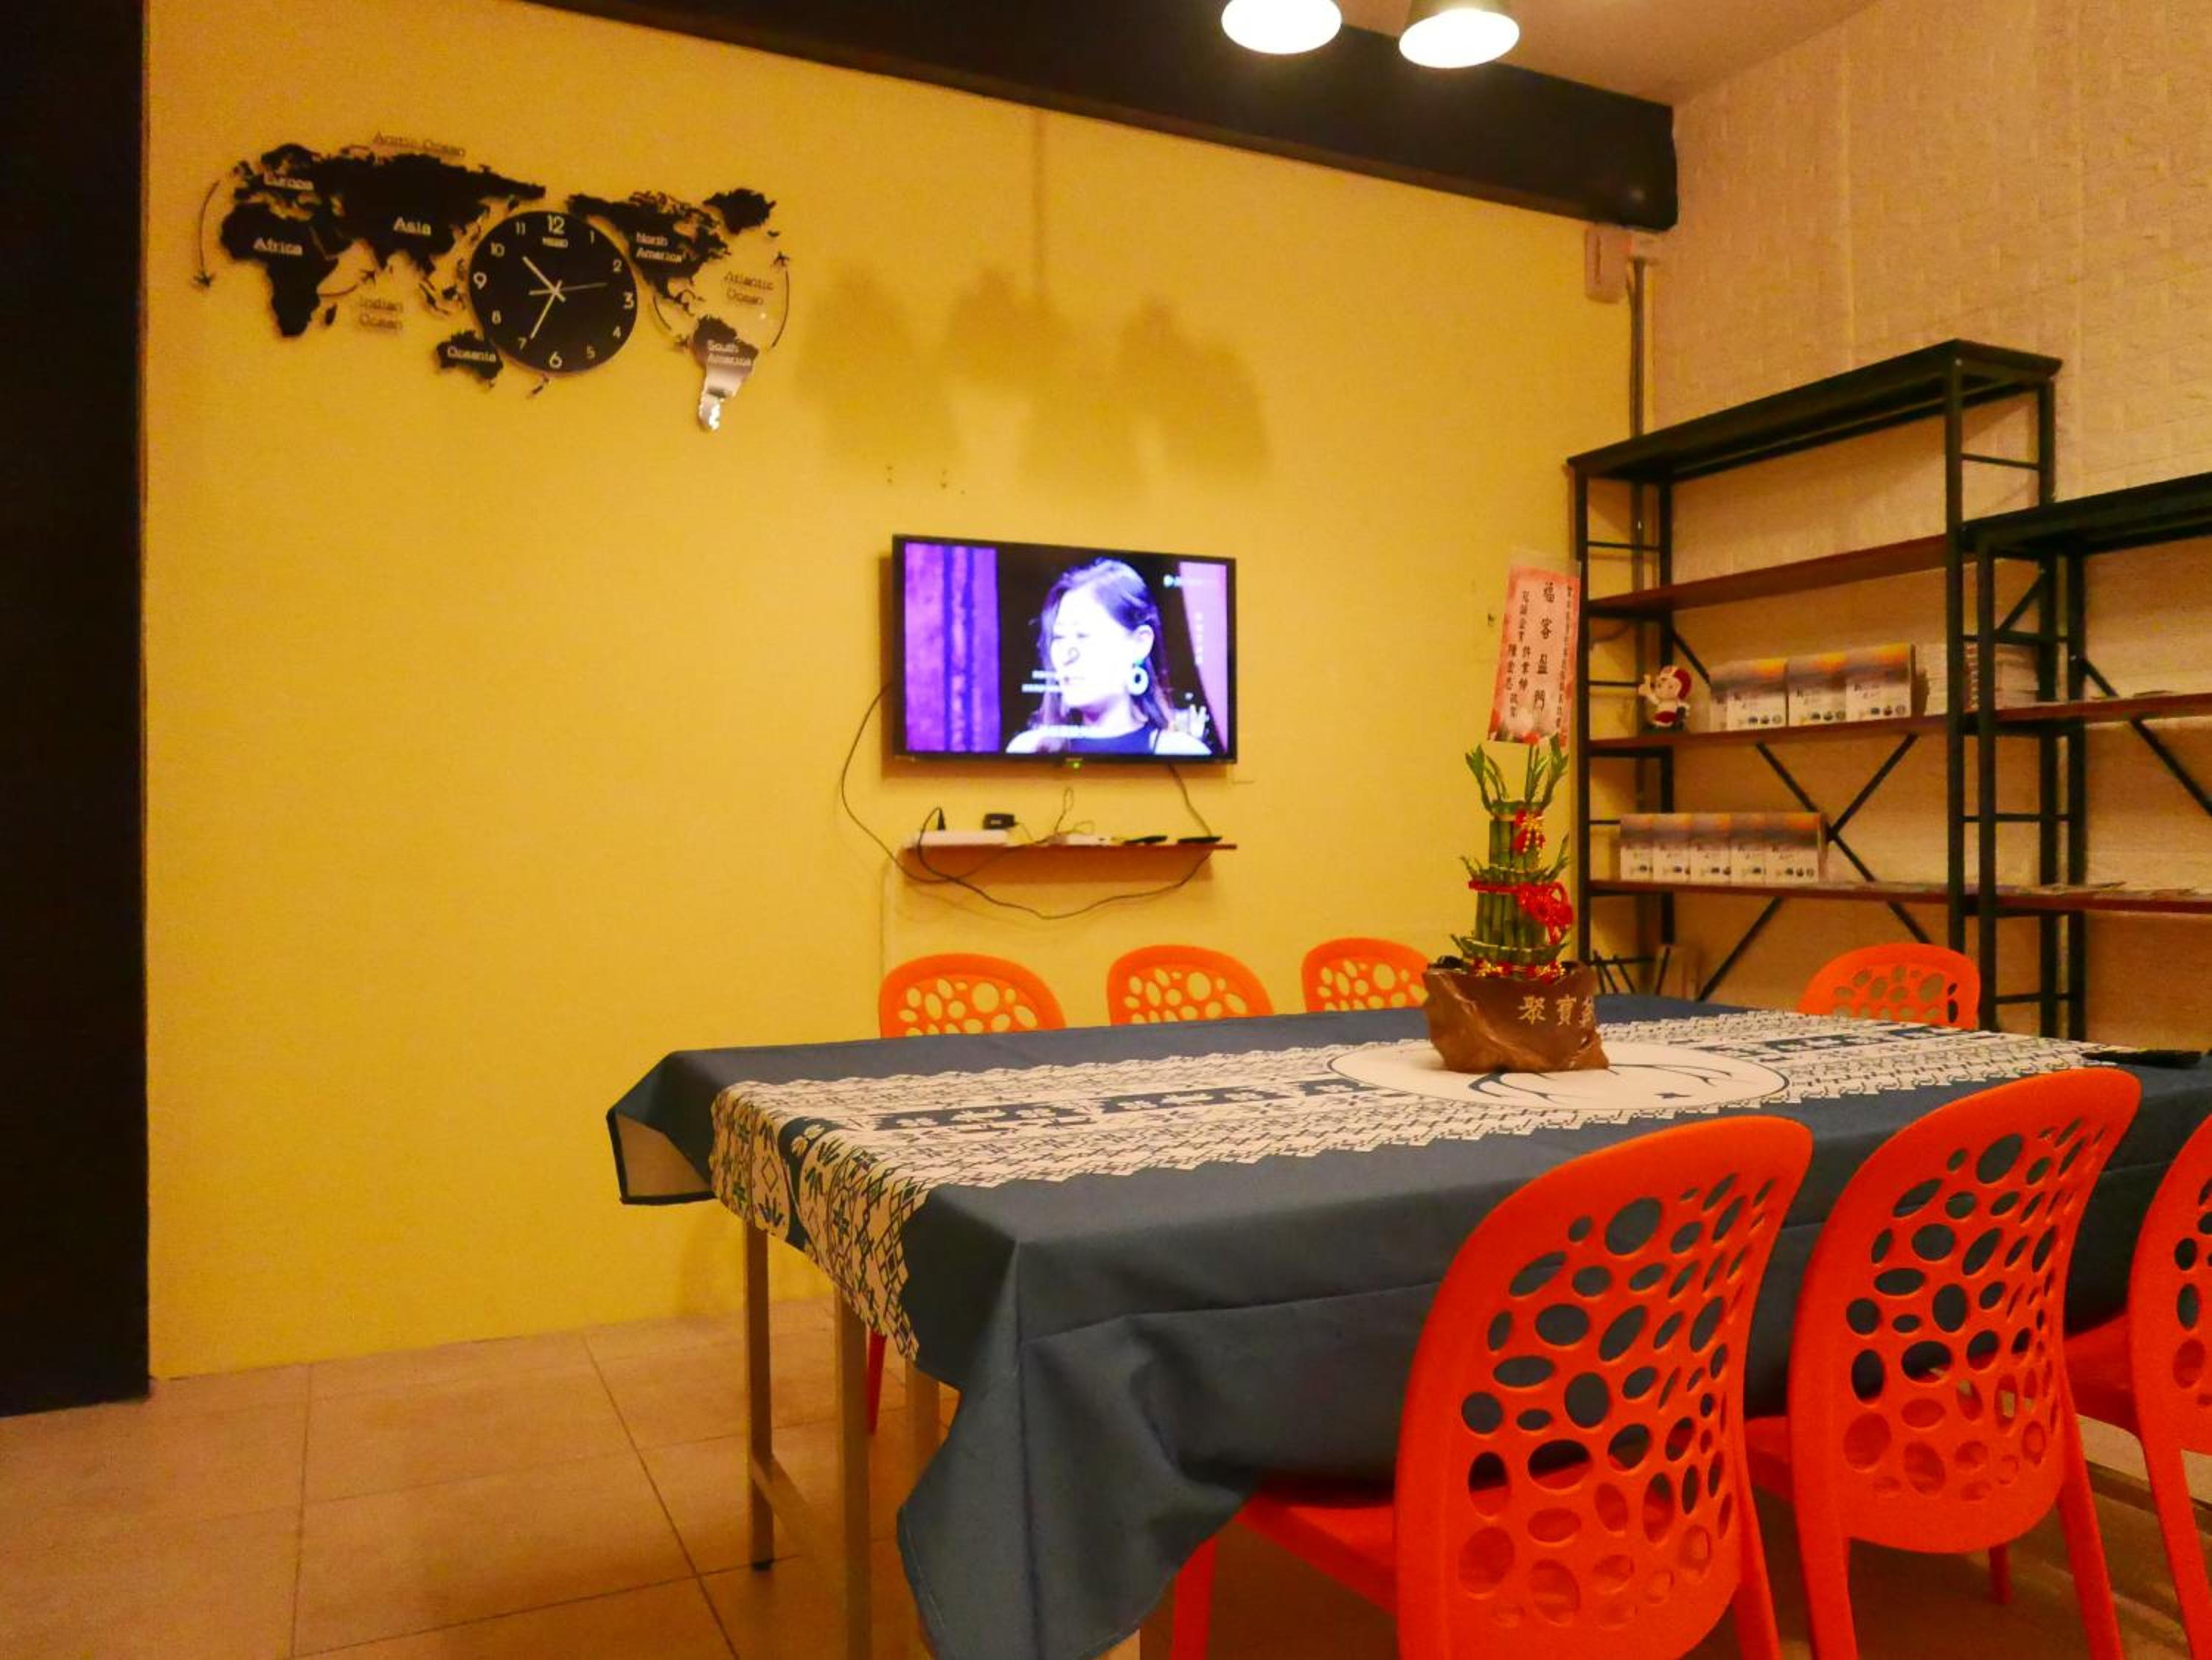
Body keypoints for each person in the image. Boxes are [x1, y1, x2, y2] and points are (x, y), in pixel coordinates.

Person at [1005, 559, 1211, 756]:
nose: (1067, 655)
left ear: (1140, 643)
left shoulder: (1180, 752)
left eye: (1083, 635)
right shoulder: (1029, 749)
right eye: (1059, 637)